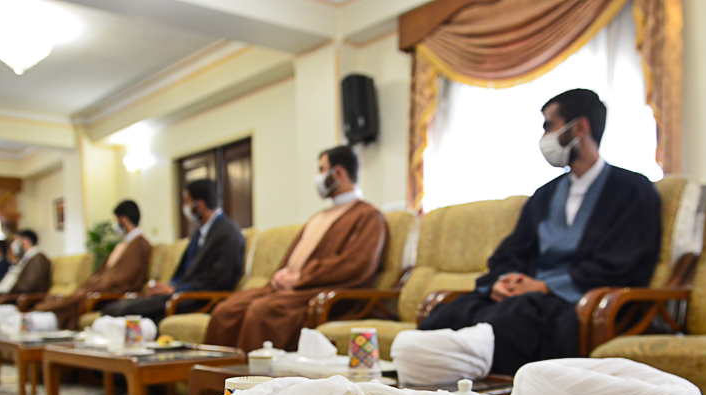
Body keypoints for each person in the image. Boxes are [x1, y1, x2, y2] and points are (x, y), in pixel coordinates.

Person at [419, 89, 661, 376]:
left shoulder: (633, 190)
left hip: (574, 301)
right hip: (526, 296)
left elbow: (625, 263)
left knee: (510, 321)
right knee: (448, 314)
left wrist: (545, 287)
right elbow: (512, 251)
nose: (544, 137)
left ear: (580, 128)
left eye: (549, 126)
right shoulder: (545, 195)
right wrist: (504, 281)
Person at [204, 145, 387, 352]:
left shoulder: (369, 216)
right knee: (226, 310)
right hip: (292, 288)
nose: (318, 176)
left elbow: (355, 265)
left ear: (338, 173)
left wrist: (302, 278)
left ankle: (255, 373)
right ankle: (215, 373)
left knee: (262, 312)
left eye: (321, 169)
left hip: (319, 292)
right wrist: (281, 274)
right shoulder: (321, 215)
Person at [102, 179, 246, 322]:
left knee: (125, 311)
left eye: (187, 201)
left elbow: (219, 280)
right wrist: (169, 286)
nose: (185, 207)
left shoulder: (228, 233)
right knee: (114, 309)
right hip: (181, 295)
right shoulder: (199, 232)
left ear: (199, 204)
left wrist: (177, 290)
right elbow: (184, 271)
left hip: (198, 298)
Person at [34, 200, 151, 330]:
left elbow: (127, 277)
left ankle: (42, 321)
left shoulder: (141, 245)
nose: (115, 225)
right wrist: (89, 286)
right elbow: (102, 272)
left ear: (123, 219)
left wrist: (95, 288)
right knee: (64, 299)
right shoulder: (121, 246)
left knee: (72, 302)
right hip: (98, 289)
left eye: (116, 220)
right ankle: (40, 319)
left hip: (109, 294)